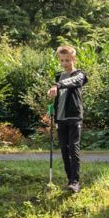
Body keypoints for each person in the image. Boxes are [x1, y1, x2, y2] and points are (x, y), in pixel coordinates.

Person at [46, 44, 89, 192]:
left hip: (74, 116)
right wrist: (52, 107)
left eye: (67, 60)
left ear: (74, 59)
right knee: (64, 149)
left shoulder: (80, 74)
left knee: (73, 148)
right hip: (60, 118)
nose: (65, 63)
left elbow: (73, 82)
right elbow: (59, 97)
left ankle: (75, 182)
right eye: (62, 60)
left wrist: (57, 85)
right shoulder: (59, 76)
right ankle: (70, 180)